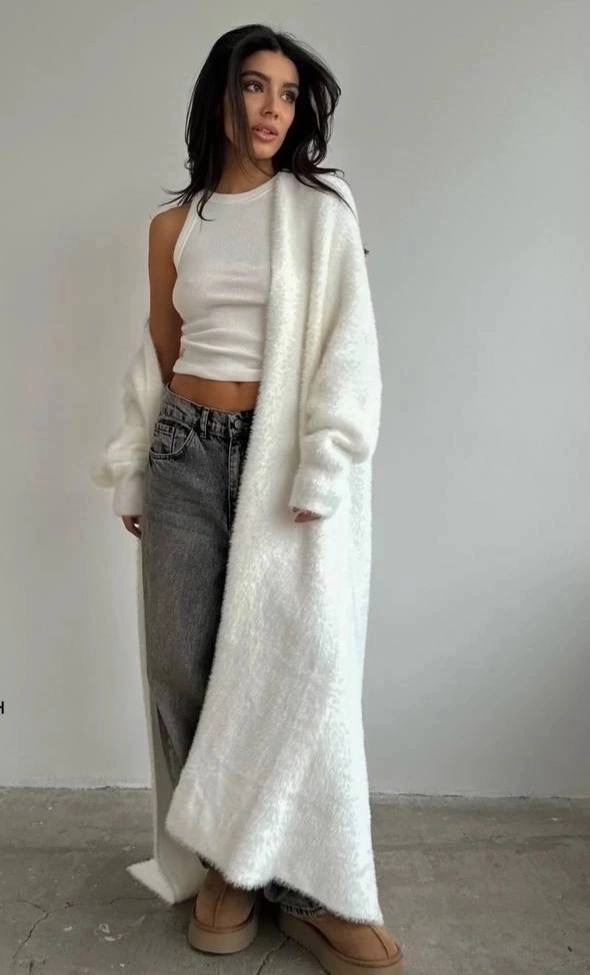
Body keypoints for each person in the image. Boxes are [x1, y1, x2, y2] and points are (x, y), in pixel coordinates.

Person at [91, 22, 403, 974]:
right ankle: (227, 866)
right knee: (180, 664)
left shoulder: (320, 208)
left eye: (288, 93)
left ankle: (308, 885)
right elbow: (159, 350)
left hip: (278, 457)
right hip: (185, 451)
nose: (273, 108)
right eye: (255, 87)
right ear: (220, 99)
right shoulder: (174, 225)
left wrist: (325, 461)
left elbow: (351, 343)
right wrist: (136, 461)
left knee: (301, 660)